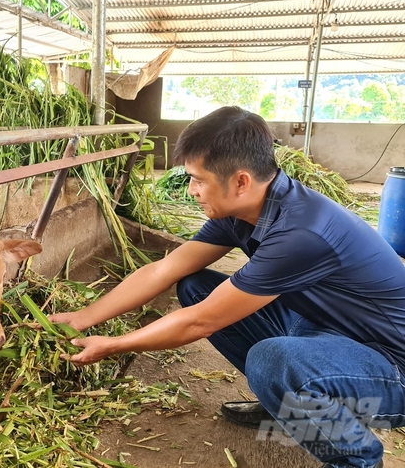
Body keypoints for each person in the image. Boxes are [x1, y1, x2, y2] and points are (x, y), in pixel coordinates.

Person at [50, 106, 405, 468]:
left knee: (273, 363)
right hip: (327, 328)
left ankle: (355, 457)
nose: (191, 191)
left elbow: (199, 322)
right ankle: (285, 408)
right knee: (195, 286)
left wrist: (113, 345)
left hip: (390, 363)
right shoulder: (243, 211)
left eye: (198, 179)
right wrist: (82, 317)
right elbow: (165, 269)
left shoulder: (301, 233)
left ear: (240, 181)